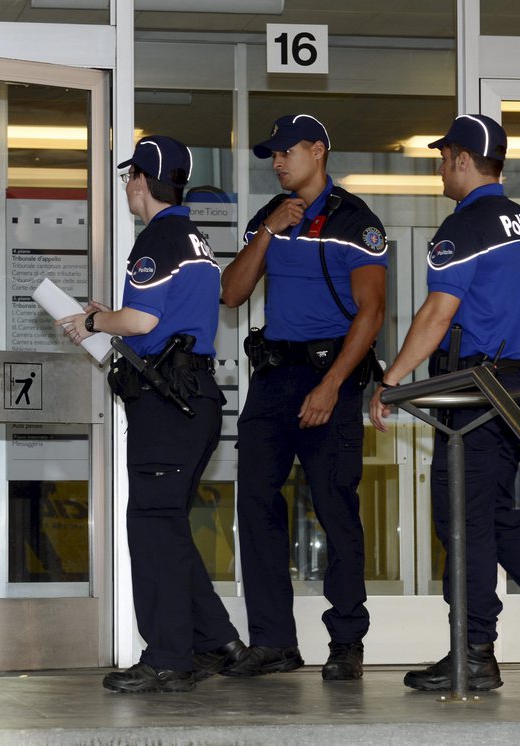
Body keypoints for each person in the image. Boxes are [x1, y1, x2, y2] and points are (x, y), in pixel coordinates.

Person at [369, 114, 520, 690]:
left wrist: (393, 380)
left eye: (443, 156)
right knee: (489, 515)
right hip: (512, 388)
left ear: (460, 157)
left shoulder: (467, 224)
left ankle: (475, 653)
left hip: (474, 396)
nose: (439, 167)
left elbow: (438, 312)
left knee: (463, 520)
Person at [57, 136, 246, 693]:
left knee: (152, 525)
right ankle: (216, 640)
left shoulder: (158, 238)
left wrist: (93, 323)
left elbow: (140, 321)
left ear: (139, 180)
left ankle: (168, 658)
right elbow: (156, 316)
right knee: (166, 525)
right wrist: (109, 316)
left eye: (127, 177)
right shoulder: (193, 237)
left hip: (168, 402)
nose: (126, 187)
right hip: (193, 398)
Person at [220, 114, 387, 680]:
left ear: (319, 150)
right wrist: (269, 229)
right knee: (257, 504)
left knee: (336, 509)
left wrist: (333, 383)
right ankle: (274, 641)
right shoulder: (268, 218)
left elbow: (372, 312)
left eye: (287, 151)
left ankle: (346, 642)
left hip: (329, 379)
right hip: (272, 381)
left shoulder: (356, 221)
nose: (278, 161)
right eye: (272, 154)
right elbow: (232, 292)